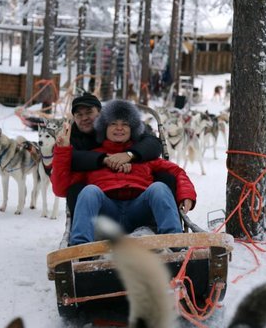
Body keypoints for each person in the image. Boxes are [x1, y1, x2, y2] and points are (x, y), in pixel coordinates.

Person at [51, 100, 197, 246]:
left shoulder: (143, 156)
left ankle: (175, 243)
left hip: (139, 210)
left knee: (159, 188)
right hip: (107, 212)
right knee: (89, 191)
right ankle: (80, 248)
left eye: (125, 124)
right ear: (104, 128)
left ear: (132, 129)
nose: (119, 128)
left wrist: (187, 194)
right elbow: (61, 187)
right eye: (113, 124)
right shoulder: (93, 158)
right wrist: (62, 150)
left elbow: (177, 172)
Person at [66, 92, 166, 215]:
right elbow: (70, 159)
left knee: (165, 179)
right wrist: (105, 159)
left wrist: (129, 155)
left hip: (136, 188)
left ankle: (167, 221)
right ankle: (84, 227)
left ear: (100, 113)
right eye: (79, 115)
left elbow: (153, 143)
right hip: (99, 191)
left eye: (89, 112)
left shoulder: (118, 125)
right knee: (76, 189)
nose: (84, 118)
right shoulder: (72, 136)